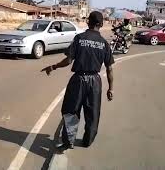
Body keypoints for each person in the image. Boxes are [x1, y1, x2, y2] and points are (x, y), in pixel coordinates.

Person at [41, 11, 115, 151]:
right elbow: (109, 68)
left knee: (71, 111)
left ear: (88, 22)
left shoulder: (79, 38)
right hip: (95, 82)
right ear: (101, 24)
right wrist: (110, 88)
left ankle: (68, 141)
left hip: (78, 80)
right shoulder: (104, 44)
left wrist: (53, 67)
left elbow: (68, 60)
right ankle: (88, 140)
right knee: (93, 113)